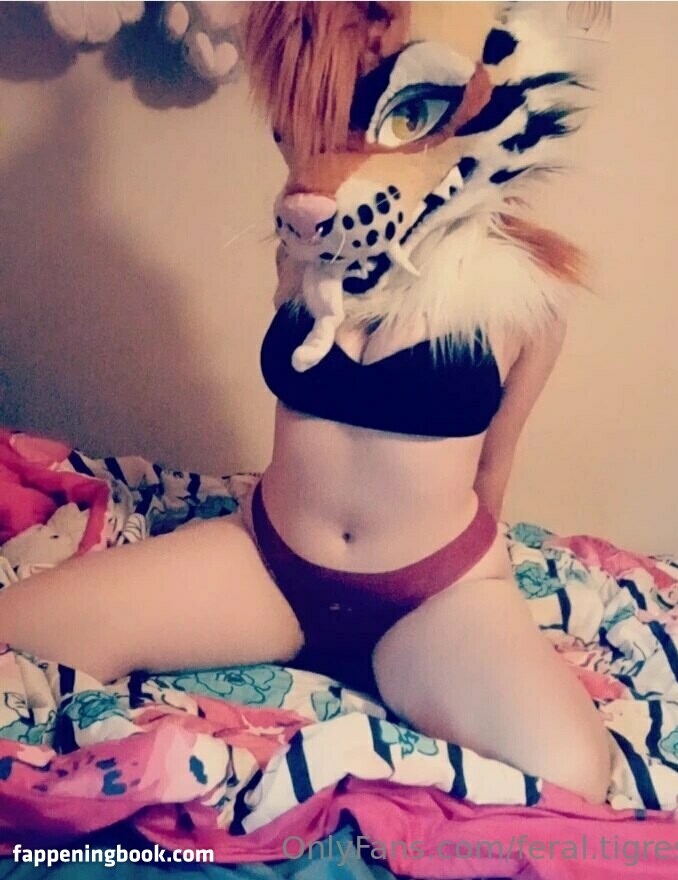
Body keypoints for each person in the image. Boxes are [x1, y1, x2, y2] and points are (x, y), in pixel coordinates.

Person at [0, 1, 611, 804]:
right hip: (270, 562)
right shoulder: (304, 261)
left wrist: (492, 618)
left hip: (432, 597)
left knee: (574, 773)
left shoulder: (525, 304)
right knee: (16, 628)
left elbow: (494, 473)